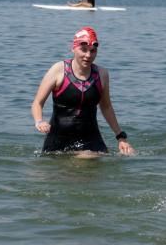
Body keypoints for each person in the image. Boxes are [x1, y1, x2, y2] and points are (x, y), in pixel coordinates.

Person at [32, 27, 134, 156]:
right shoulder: (58, 70)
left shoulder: (102, 74)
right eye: (84, 50)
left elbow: (106, 107)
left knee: (90, 157)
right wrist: (39, 121)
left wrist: (120, 137)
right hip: (58, 139)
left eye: (93, 51)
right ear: (73, 48)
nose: (88, 55)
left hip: (91, 139)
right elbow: (37, 102)